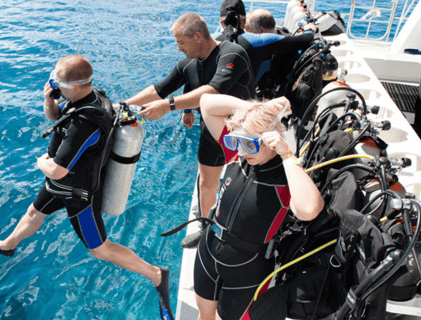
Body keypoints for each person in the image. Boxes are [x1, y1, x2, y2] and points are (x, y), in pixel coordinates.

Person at [0, 55, 174, 320]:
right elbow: (56, 117)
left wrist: (41, 162)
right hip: (59, 185)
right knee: (34, 213)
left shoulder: (86, 123)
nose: (53, 85)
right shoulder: (87, 98)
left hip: (77, 193)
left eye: (56, 82)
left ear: (73, 85)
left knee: (100, 249)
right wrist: (49, 99)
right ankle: (7, 245)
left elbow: (58, 169)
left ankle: (156, 274)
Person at [124, 13, 255, 248]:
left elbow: (213, 91)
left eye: (181, 42)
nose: (178, 48)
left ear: (197, 36)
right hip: (212, 131)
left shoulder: (232, 54)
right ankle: (207, 229)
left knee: (245, 184)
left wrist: (170, 106)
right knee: (206, 182)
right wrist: (125, 104)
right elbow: (159, 89)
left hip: (244, 131)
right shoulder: (188, 64)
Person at [193, 93, 324, 320]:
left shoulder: (285, 176)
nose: (242, 150)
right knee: (204, 316)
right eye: (236, 141)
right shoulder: (237, 154)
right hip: (208, 251)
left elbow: (309, 209)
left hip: (247, 268)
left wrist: (287, 154)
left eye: (250, 144)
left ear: (270, 139)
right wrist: (256, 111)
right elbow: (206, 103)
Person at [217, 9, 316, 85]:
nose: (245, 33)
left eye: (247, 29)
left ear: (260, 30)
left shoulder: (256, 42)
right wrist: (309, 29)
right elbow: (305, 39)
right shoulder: (272, 41)